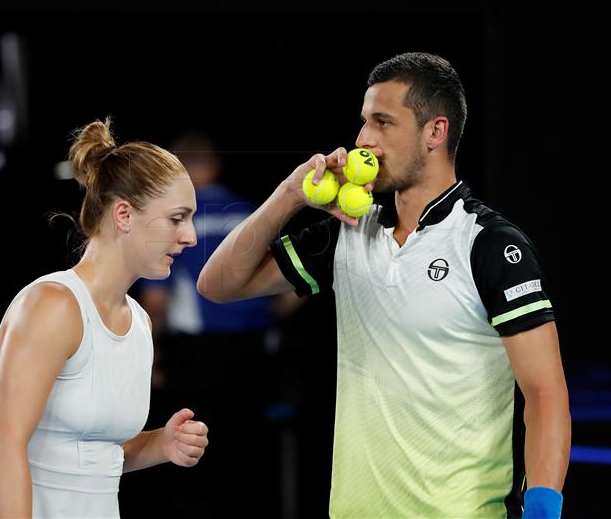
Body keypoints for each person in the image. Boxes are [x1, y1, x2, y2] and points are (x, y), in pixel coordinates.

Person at [198, 53, 571, 519]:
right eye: (363, 123)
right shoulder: (348, 230)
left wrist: (542, 513)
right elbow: (217, 285)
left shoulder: (491, 244)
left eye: (383, 122)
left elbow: (544, 393)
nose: (362, 140)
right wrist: (290, 195)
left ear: (435, 132)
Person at [0, 117, 209, 519]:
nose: (190, 236)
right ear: (123, 215)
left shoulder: (139, 323)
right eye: (176, 218)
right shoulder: (51, 306)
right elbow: (3, 448)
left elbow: (94, 455)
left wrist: (160, 444)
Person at [134, 133, 281, 518]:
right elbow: (297, 287)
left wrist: (150, 360)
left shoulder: (173, 220)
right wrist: (268, 317)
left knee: (190, 459)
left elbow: (156, 301)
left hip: (196, 359)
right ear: (215, 166)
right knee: (248, 455)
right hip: (253, 353)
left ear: (177, 173)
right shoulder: (250, 212)